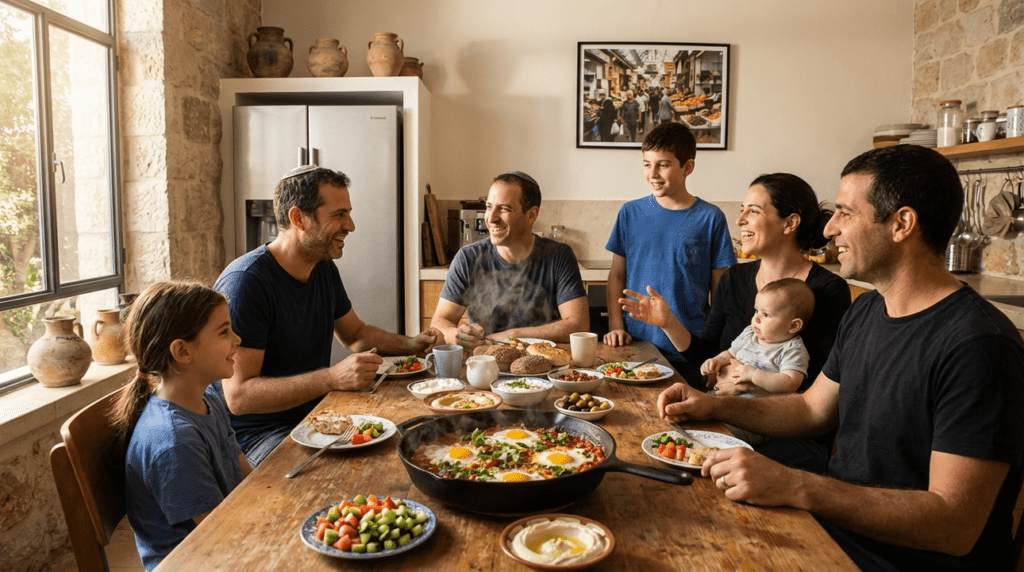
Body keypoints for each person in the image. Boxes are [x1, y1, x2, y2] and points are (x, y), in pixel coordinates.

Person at [657, 145, 1024, 571]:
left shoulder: (979, 347)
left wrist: (795, 485)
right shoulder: (869, 310)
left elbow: (955, 525)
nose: (829, 228)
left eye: (846, 213)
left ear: (902, 224)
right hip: (834, 531)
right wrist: (713, 405)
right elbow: (812, 410)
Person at [620, 172, 850, 472]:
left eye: (753, 211)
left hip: (791, 435)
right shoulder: (734, 279)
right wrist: (668, 323)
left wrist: (745, 380)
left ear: (790, 223)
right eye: (742, 209)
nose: (740, 220)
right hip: (729, 416)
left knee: (705, 470)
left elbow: (817, 394)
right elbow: (707, 358)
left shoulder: (828, 290)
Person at [215, 166, 442, 466]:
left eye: (348, 213)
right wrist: (332, 377)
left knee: (405, 445)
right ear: (299, 218)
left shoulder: (321, 267)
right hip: (260, 435)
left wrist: (411, 344)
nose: (351, 225)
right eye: (339, 215)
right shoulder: (247, 283)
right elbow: (239, 397)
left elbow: (356, 335)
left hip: (318, 418)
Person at [111, 282, 252, 571]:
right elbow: (221, 536)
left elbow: (246, 474)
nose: (237, 339)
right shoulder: (174, 441)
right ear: (183, 351)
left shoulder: (209, 397)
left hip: (232, 540)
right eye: (224, 331)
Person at [604, 122, 735, 387]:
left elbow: (722, 295)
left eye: (663, 164)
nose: (652, 173)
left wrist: (719, 355)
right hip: (636, 349)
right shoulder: (630, 213)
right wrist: (615, 326)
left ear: (687, 167)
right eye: (646, 164)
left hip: (690, 350)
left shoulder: (710, 218)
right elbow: (616, 275)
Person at [431, 171, 588, 349]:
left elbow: (578, 325)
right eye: (489, 207)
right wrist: (454, 334)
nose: (491, 218)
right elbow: (439, 323)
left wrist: (513, 335)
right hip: (485, 365)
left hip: (543, 366)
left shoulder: (559, 256)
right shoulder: (468, 258)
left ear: (531, 215)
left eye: (504, 209)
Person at [701, 277, 814, 445]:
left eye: (766, 314)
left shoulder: (792, 349)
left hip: (758, 417)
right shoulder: (749, 334)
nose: (757, 319)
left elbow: (791, 383)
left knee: (719, 435)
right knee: (694, 411)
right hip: (724, 399)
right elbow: (730, 354)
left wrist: (754, 375)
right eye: (756, 311)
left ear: (793, 326)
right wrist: (716, 361)